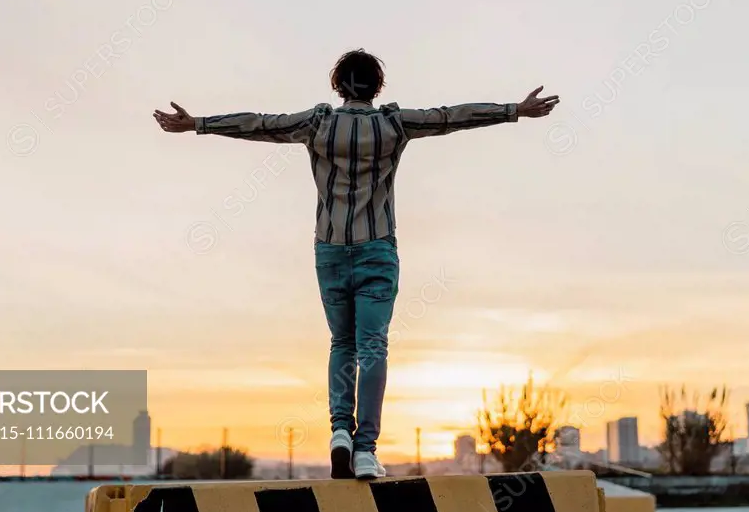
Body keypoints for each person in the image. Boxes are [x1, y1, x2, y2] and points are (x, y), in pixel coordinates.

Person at [153, 49, 560, 480]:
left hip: (329, 251)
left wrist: (197, 124)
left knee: (341, 344)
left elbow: (260, 124)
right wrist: (515, 110)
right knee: (373, 347)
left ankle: (339, 433)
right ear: (377, 87)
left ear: (337, 85)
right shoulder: (393, 124)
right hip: (377, 250)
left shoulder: (318, 123)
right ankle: (366, 449)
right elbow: (450, 117)